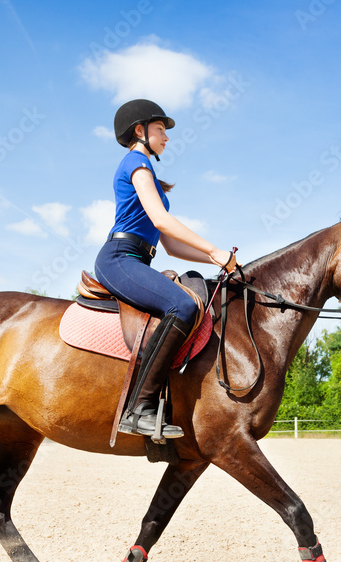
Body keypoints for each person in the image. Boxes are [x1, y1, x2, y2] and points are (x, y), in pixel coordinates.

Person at [95, 99, 239, 440]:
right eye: (160, 129)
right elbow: (162, 220)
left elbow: (171, 246)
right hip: (120, 257)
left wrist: (218, 261)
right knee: (183, 306)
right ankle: (139, 410)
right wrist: (212, 247)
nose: (167, 137)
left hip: (139, 258)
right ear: (140, 131)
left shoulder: (150, 174)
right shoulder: (136, 163)